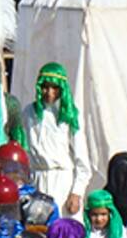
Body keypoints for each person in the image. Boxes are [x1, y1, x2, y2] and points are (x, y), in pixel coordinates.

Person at [22, 62, 92, 216]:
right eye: (46, 87)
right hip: (37, 180)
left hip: (62, 183)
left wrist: (76, 192)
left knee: (63, 230)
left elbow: (82, 159)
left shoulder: (70, 115)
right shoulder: (29, 113)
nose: (49, 92)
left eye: (54, 88)